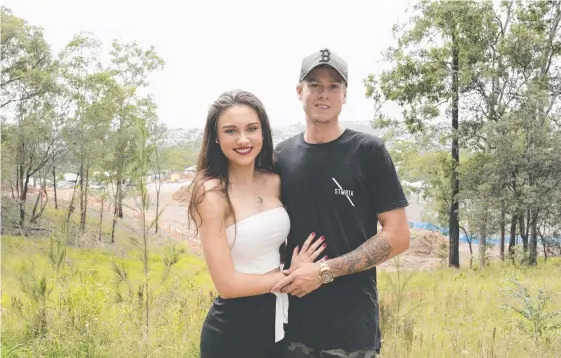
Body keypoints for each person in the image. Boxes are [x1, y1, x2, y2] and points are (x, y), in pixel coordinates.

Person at [271, 48, 411, 358]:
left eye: (334, 86)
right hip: (292, 327)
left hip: (352, 332)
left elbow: (398, 236)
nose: (324, 94)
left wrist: (323, 271)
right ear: (299, 91)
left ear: (345, 94)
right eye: (315, 85)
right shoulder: (281, 157)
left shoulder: (368, 152)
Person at [187, 89, 327, 358]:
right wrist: (290, 276)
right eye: (230, 131)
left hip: (277, 323)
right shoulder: (212, 194)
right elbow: (227, 285)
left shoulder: (273, 181)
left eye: (251, 128)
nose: (243, 139)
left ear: (263, 132)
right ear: (215, 138)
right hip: (233, 330)